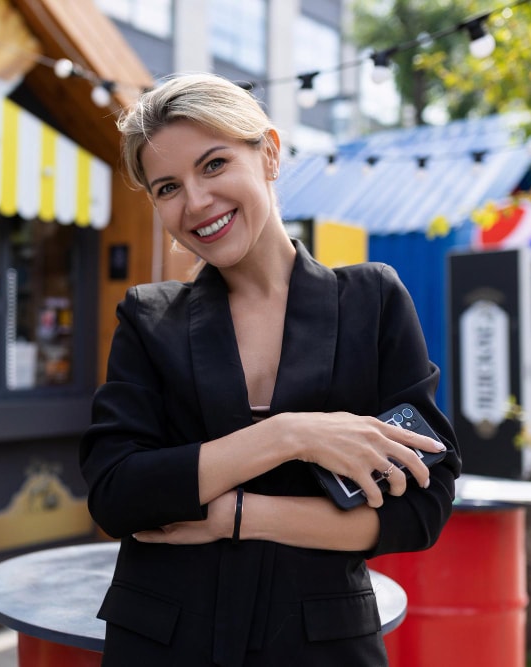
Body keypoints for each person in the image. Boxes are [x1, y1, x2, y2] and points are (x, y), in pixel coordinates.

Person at [79, 73, 461, 666]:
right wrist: (292, 435)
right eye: (168, 188)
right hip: (163, 646)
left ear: (270, 154)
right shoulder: (149, 319)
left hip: (320, 648)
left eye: (213, 164)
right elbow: (115, 495)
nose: (195, 202)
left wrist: (236, 516)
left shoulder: (372, 301)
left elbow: (422, 506)